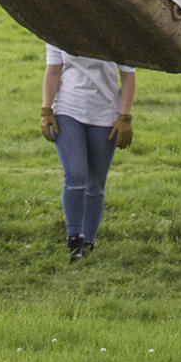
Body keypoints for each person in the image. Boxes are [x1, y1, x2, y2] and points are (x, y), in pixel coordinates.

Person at [40, 47, 136, 262]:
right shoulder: (57, 29)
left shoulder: (119, 32)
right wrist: (46, 110)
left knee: (96, 182)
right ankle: (74, 239)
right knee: (75, 173)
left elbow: (128, 76)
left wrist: (125, 116)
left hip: (105, 113)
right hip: (68, 109)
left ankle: (89, 240)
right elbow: (53, 70)